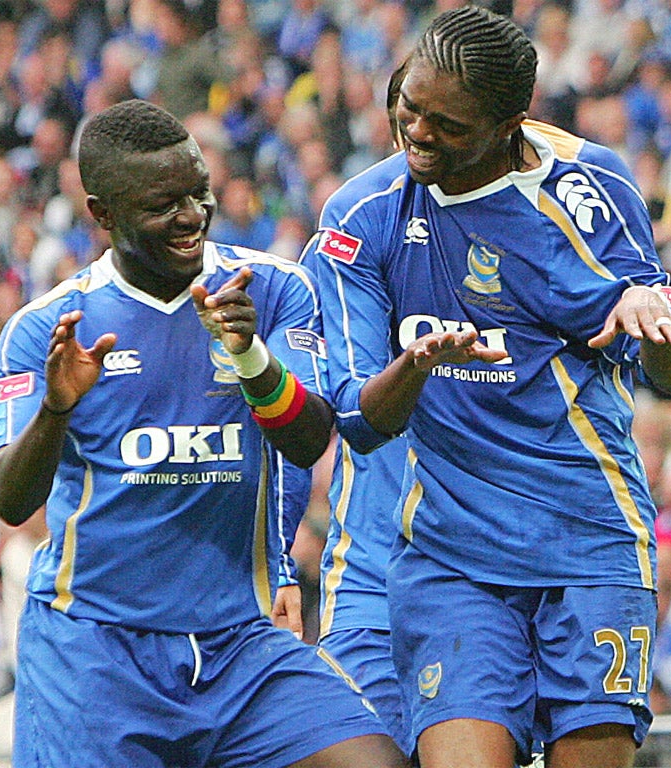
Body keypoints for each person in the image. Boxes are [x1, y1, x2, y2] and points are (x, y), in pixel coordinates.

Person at [305, 7, 671, 768]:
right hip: (454, 555)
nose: (416, 132)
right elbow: (354, 418)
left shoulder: (590, 185)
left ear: (509, 124)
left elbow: (670, 375)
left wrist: (665, 327)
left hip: (590, 538)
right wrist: (413, 369)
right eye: (408, 105)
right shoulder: (364, 215)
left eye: (445, 125)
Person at [0, 99, 406, 768]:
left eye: (198, 192)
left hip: (240, 643)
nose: (191, 217)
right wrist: (56, 408)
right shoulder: (48, 326)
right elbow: (9, 501)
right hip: (97, 650)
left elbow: (308, 441)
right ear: (102, 213)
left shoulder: (270, 289)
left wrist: (250, 356)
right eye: (163, 205)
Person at [307, 60, 411, 754]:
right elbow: (310, 415)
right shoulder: (356, 228)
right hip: (370, 577)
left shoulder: (539, 219)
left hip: (496, 574)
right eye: (407, 121)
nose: (420, 138)